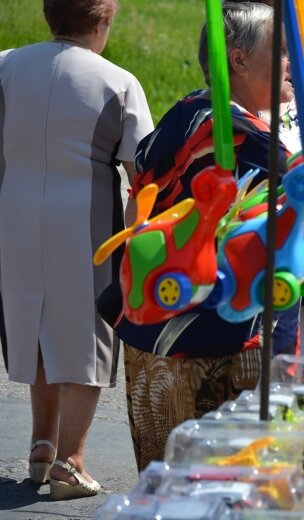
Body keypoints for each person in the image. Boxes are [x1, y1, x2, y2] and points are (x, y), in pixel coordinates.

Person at [118, 2, 298, 471]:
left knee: (182, 485)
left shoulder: (193, 113)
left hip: (172, 329)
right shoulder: (228, 125)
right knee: (209, 485)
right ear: (237, 59)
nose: (291, 62)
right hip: (204, 337)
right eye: (279, 49)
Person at [0, 0, 153, 499]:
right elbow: (141, 172)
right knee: (88, 331)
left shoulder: (5, 64)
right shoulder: (119, 81)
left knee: (33, 321)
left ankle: (41, 444)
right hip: (84, 214)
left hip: (14, 206)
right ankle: (72, 459)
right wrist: (139, 242)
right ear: (104, 19)